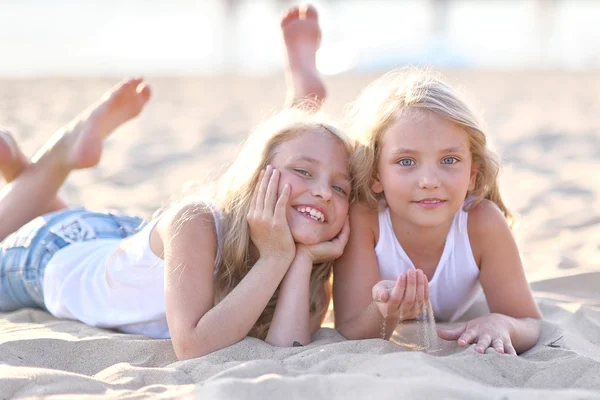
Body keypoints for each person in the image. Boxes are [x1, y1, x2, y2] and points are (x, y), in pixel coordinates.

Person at [0, 6, 352, 360]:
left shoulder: (314, 266)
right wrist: (275, 257)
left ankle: (21, 173)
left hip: (122, 244)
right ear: (259, 175)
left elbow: (288, 350)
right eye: (304, 172)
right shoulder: (196, 221)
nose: (324, 192)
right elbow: (193, 346)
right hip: (50, 255)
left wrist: (299, 260)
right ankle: (61, 156)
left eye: (340, 188)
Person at [331, 68, 542, 355]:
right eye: (406, 162)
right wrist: (386, 311)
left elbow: (528, 321)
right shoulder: (366, 220)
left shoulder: (482, 223)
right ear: (375, 175)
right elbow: (349, 326)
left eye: (449, 159)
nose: (429, 181)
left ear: (472, 174)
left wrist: (501, 323)